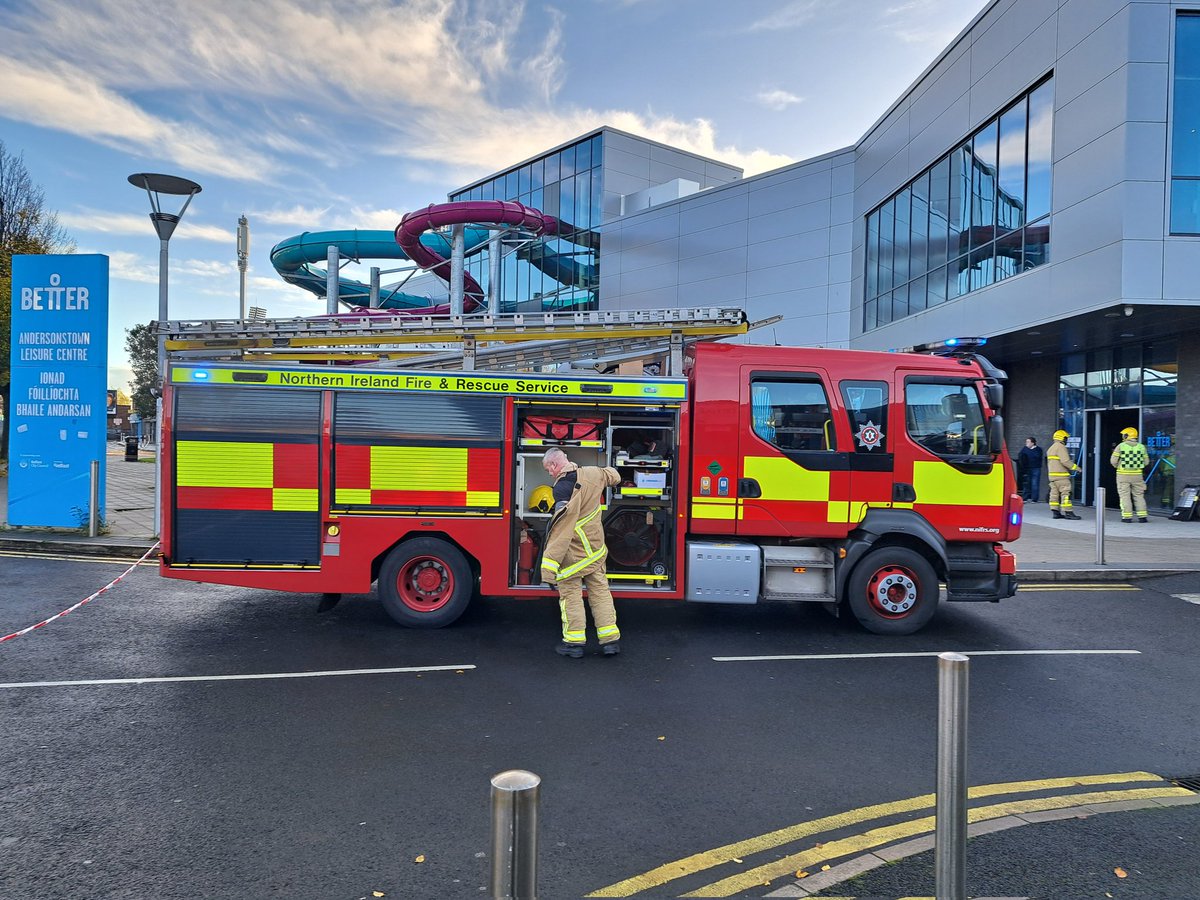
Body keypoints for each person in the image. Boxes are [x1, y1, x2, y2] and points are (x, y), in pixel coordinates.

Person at [540, 448, 622, 658]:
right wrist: (606, 472)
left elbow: (561, 530)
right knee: (601, 592)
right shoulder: (593, 473)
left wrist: (548, 566)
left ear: (554, 465)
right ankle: (610, 641)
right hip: (595, 549)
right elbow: (615, 476)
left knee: (571, 596)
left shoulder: (560, 490)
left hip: (573, 555)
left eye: (548, 469)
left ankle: (574, 644)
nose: (549, 473)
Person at [1110, 426, 1150, 523]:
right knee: (1139, 495)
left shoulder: (1121, 446)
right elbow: (1146, 462)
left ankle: (1127, 517)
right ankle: (1142, 516)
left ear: (1126, 435)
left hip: (1123, 475)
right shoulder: (1141, 447)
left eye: (1124, 434)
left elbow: (1113, 461)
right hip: (1137, 475)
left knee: (1124, 496)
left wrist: (1118, 467)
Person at [1046, 428, 1081, 520]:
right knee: (1066, 494)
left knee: (1054, 494)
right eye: (1066, 438)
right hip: (1062, 476)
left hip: (1052, 476)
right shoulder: (1061, 447)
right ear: (1062, 438)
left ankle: (1055, 512)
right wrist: (1076, 468)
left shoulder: (1051, 448)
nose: (1066, 440)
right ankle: (1068, 512)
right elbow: (1065, 461)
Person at [1017, 437, 1043, 502]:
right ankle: (1025, 497)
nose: (1026, 443)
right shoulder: (1025, 449)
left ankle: (1034, 498)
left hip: (1035, 468)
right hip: (1027, 468)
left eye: (1028, 442)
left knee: (1035, 483)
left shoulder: (1038, 449)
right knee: (1026, 483)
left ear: (1032, 443)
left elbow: (1036, 456)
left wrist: (1027, 454)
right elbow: (1020, 455)